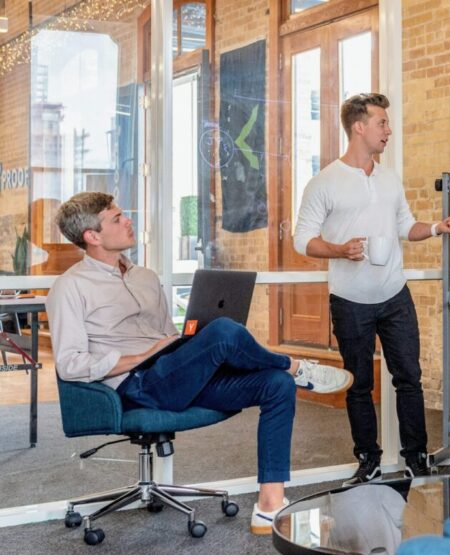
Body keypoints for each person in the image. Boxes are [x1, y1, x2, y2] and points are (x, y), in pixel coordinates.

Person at [46, 192, 353, 535]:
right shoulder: (70, 287)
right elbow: (70, 364)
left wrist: (183, 342)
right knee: (224, 332)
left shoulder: (144, 277)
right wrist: (141, 356)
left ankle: (269, 505)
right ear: (92, 236)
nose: (128, 220)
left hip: (173, 374)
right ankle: (294, 367)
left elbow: (166, 335)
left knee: (274, 384)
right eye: (117, 219)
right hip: (137, 385)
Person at [293, 93, 450, 484]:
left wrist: (439, 227)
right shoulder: (325, 182)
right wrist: (339, 249)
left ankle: (415, 456)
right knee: (359, 382)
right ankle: (368, 458)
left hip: (394, 296)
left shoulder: (389, 179)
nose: (388, 130)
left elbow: (406, 227)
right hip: (350, 301)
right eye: (382, 123)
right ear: (359, 126)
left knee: (409, 376)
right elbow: (301, 240)